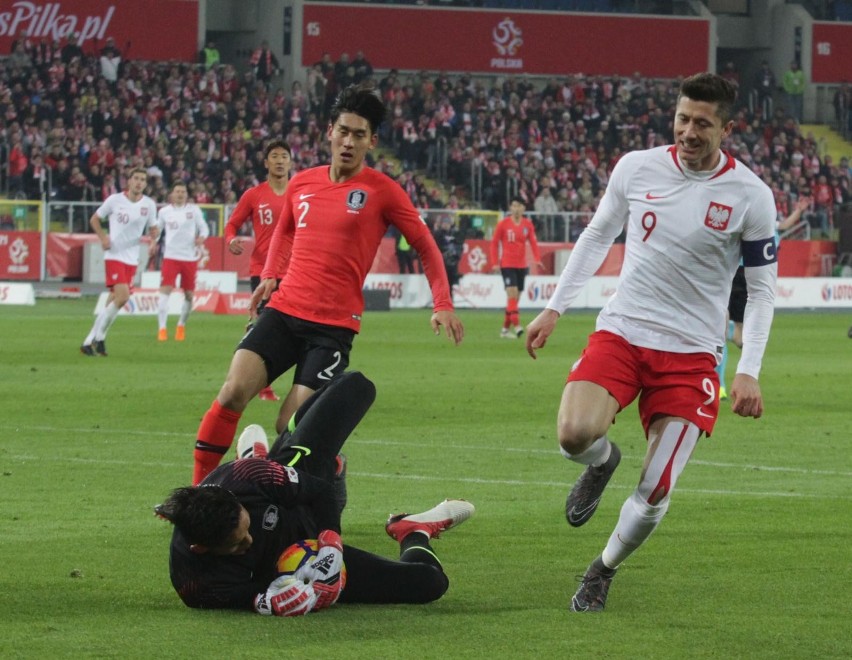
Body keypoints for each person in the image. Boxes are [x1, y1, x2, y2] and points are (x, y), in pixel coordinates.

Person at [525, 73, 778, 612]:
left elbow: (761, 292)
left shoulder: (752, 196)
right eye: (683, 118)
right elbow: (597, 234)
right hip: (623, 330)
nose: (688, 131)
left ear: (727, 129)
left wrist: (749, 368)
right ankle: (602, 460)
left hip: (691, 356)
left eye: (703, 124)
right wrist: (555, 306)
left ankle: (602, 569)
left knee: (658, 485)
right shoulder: (636, 167)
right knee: (573, 434)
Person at [190, 84, 464, 486]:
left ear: (372, 141)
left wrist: (442, 301)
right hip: (283, 310)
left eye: (359, 134)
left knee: (291, 425)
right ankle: (200, 494)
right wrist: (269, 274)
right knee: (232, 391)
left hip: (332, 328)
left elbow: (425, 245)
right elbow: (283, 230)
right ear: (329, 132)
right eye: (343, 131)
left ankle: (322, 469)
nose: (348, 142)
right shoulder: (302, 183)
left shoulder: (383, 191)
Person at [157, 371, 475, 614]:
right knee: (431, 583)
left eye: (246, 528)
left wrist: (331, 546)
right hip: (300, 563)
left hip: (301, 500)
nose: (248, 540)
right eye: (238, 544)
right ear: (201, 549)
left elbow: (321, 494)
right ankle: (413, 530)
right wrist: (275, 599)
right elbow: (248, 596)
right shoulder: (194, 585)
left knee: (356, 386)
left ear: (236, 501)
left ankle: (268, 460)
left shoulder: (243, 480)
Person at [717, 196, 809, 398]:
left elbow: (784, 224)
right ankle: (721, 383)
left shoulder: (766, 224)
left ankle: (739, 356)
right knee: (722, 330)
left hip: (744, 279)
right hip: (735, 275)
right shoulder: (756, 223)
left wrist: (799, 211)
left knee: (729, 333)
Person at [224, 139, 293, 402]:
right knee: (266, 325)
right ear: (266, 163)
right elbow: (232, 225)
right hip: (263, 271)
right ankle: (260, 384)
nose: (279, 160)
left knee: (294, 327)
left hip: (296, 270)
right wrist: (231, 240)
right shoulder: (254, 195)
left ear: (290, 161)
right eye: (274, 156)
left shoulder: (299, 193)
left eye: (283, 156)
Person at [81, 168, 159, 357]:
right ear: (129, 181)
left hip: (132, 258)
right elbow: (95, 219)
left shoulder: (148, 205)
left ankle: (89, 342)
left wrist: (153, 242)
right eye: (136, 179)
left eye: (142, 179)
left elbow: (154, 228)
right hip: (114, 255)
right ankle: (99, 338)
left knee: (112, 301)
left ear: (145, 184)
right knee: (123, 297)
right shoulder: (115, 200)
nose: (139, 182)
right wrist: (103, 238)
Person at [155, 181, 209, 342]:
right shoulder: (164, 212)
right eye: (177, 191)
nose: (180, 194)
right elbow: (158, 231)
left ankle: (181, 325)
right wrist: (153, 241)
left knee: (189, 295)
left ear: (186, 194)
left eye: (183, 192)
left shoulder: (194, 210)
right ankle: (162, 329)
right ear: (172, 194)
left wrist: (201, 237)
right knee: (165, 291)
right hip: (171, 257)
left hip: (189, 258)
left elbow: (204, 228)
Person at [491, 196, 543, 339]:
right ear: (510, 208)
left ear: (523, 208)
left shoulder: (527, 225)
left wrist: (537, 259)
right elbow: (494, 244)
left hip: (521, 265)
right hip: (507, 264)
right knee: (512, 293)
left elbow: (533, 242)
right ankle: (517, 325)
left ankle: (505, 330)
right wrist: (495, 262)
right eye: (514, 206)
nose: (516, 209)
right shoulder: (503, 224)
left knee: (514, 299)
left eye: (519, 206)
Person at [432, 215, 465, 300]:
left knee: (450, 282)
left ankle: (449, 300)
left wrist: (456, 255)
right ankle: (441, 299)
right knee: (442, 282)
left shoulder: (455, 234)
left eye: (447, 223)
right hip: (441, 262)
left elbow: (460, 246)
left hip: (452, 263)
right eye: (444, 223)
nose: (446, 225)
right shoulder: (437, 234)